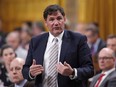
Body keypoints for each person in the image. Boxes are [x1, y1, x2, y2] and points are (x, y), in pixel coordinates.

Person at [22, 4, 94, 87]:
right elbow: (25, 70)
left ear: (64, 19)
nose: (56, 23)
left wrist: (72, 72)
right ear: (46, 22)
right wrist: (30, 73)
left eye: (59, 18)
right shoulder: (36, 41)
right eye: (51, 19)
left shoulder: (78, 39)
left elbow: (89, 69)